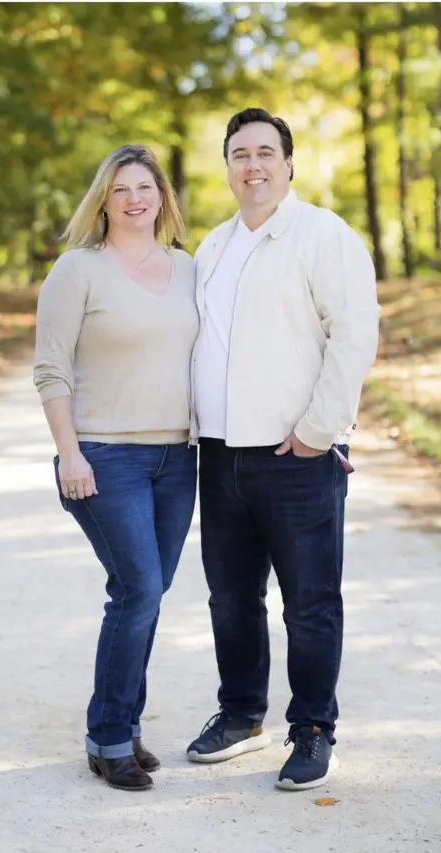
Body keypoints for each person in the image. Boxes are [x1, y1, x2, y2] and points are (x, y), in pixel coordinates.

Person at [186, 108, 379, 790]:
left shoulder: (322, 234)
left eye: (266, 151)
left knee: (310, 601)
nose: (253, 164)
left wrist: (319, 429)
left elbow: (354, 333)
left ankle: (313, 726)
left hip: (296, 455)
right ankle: (241, 714)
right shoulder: (212, 247)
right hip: (220, 454)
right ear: (229, 165)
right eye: (240, 153)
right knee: (230, 598)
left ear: (289, 163)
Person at [33, 145, 198, 791]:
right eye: (121, 189)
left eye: (145, 187)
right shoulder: (78, 271)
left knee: (145, 597)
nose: (134, 199)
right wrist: (69, 452)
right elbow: (51, 367)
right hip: (104, 455)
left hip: (177, 458)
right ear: (103, 199)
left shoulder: (188, 268)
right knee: (140, 590)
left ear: (162, 196)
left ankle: (123, 727)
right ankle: (107, 735)